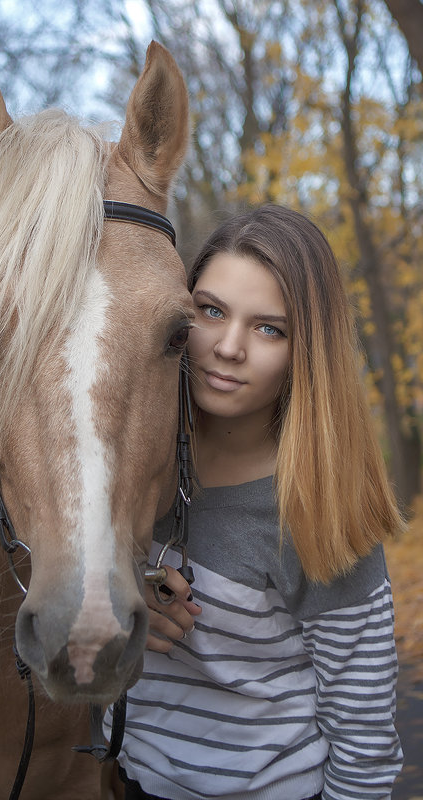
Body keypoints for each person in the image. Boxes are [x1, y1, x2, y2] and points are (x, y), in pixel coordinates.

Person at [110, 204, 404, 800]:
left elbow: (364, 738)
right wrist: (121, 596)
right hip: (130, 783)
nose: (229, 347)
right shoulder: (124, 467)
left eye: (269, 328)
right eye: (210, 311)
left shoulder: (317, 511)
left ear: (306, 353)